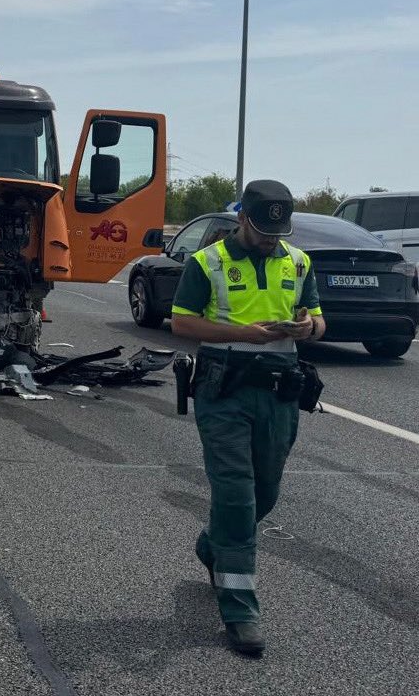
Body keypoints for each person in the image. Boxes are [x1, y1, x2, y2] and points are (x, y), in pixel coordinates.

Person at [170, 179, 325, 657]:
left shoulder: (298, 262)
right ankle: (240, 609)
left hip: (280, 390)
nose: (269, 238)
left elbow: (319, 321)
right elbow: (181, 321)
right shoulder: (207, 262)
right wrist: (243, 334)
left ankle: (214, 545)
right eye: (260, 229)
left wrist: (307, 327)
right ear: (241, 218)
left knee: (266, 492)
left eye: (278, 230)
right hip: (226, 388)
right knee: (236, 493)